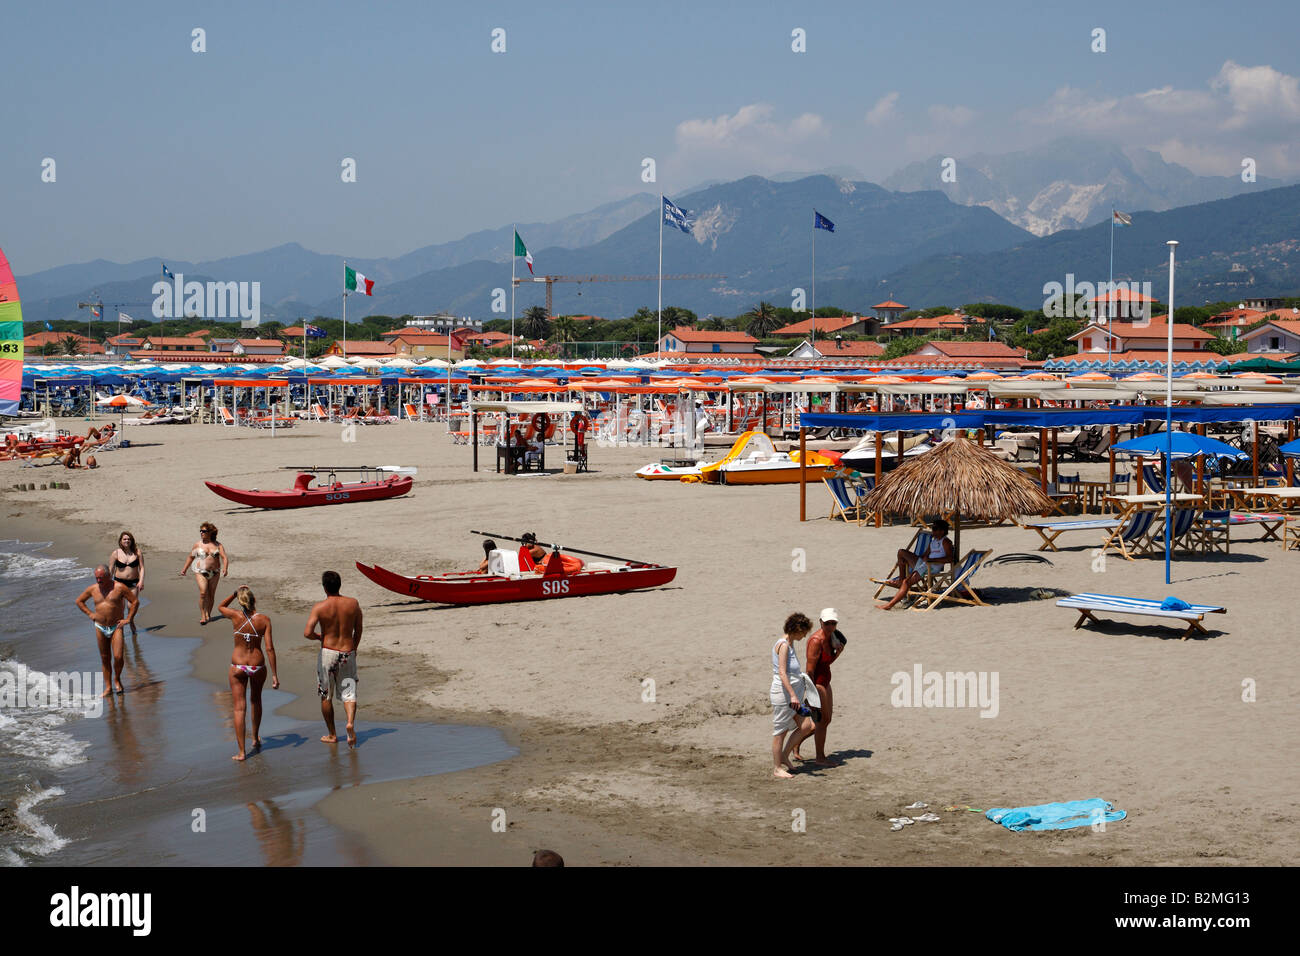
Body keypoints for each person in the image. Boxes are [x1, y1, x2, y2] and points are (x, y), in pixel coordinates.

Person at [217, 586, 279, 762]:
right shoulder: (264, 620)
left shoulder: (235, 616)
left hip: (237, 665)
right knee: (256, 700)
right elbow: (269, 648)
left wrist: (233, 593)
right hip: (257, 665)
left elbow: (220, 607)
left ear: (240, 601)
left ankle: (242, 752)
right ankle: (255, 737)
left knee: (238, 708)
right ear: (254, 600)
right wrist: (274, 675)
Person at [304, 570, 363, 748]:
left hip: (328, 653)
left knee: (326, 696)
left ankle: (332, 734)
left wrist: (319, 637)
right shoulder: (352, 604)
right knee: (349, 693)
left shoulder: (320, 607)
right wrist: (355, 648)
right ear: (339, 585)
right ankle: (350, 723)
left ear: (324, 587)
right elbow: (358, 629)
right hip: (347, 651)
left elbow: (307, 633)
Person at [74, 566, 138, 696]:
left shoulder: (119, 587)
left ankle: (117, 679)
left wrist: (128, 619)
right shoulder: (93, 589)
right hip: (100, 626)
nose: (98, 580)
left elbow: (135, 602)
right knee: (105, 658)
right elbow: (79, 601)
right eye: (96, 578)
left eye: (101, 578)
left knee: (118, 656)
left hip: (117, 626)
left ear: (108, 576)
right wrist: (90, 614)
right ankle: (108, 687)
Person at [794, 609, 846, 767]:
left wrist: (837, 653)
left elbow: (826, 663)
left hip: (825, 681)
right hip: (816, 683)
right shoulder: (816, 641)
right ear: (820, 622)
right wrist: (811, 692)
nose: (830, 626)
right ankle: (820, 757)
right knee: (821, 722)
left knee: (826, 720)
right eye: (827, 623)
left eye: (833, 623)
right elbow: (810, 669)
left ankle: (795, 744)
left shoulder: (832, 637)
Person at [770, 612, 816, 779]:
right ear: (797, 630)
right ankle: (777, 768)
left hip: (793, 694)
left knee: (807, 726)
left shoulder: (790, 643)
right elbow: (782, 673)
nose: (805, 636)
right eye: (804, 632)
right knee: (780, 732)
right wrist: (793, 696)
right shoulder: (783, 645)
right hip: (784, 695)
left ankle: (784, 756)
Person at [878, 518, 954, 611]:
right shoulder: (933, 542)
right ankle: (901, 580)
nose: (932, 530)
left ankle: (890, 604)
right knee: (901, 553)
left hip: (931, 567)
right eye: (932, 528)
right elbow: (924, 555)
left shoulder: (946, 542)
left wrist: (931, 559)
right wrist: (910, 560)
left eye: (935, 529)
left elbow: (950, 559)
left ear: (942, 531)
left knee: (906, 581)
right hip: (925, 564)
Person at [179, 522, 228, 624]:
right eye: (200, 531)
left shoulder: (218, 545)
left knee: (211, 594)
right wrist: (184, 569)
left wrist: (225, 568)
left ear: (210, 532)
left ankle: (208, 614)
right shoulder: (198, 544)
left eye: (204, 531)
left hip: (215, 572)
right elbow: (191, 557)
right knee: (203, 593)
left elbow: (224, 557)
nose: (201, 532)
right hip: (200, 572)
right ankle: (202, 616)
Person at [108, 531, 145, 636]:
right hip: (118, 583)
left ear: (132, 541)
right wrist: (108, 584)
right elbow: (110, 569)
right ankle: (120, 630)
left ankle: (130, 620)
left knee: (131, 606)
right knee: (121, 608)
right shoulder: (116, 553)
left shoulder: (137, 552)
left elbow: (142, 568)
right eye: (124, 539)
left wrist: (141, 581)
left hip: (134, 583)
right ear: (120, 541)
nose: (126, 541)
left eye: (128, 539)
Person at [520, 531, 584, 575]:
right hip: (548, 560)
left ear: (530, 541)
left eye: (525, 543)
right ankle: (577, 565)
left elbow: (523, 556)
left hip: (546, 562)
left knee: (570, 567)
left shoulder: (534, 550)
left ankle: (576, 566)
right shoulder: (534, 547)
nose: (524, 545)